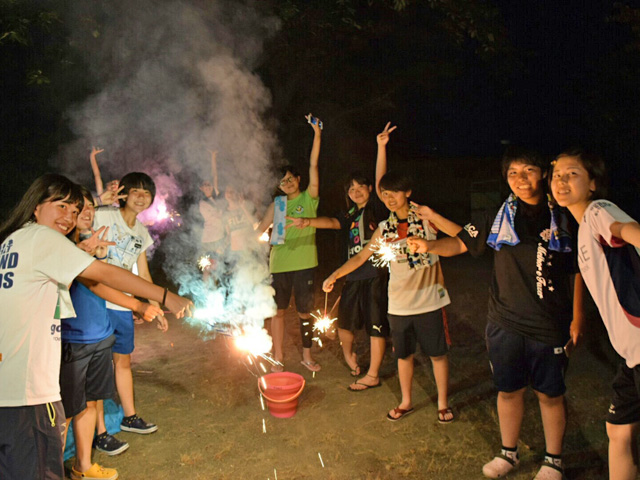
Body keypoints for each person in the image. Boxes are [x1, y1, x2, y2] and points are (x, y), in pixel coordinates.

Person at [407, 147, 585, 480]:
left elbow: (576, 270)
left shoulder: (562, 216)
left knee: (549, 394)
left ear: (543, 173)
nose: (521, 179)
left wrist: (577, 318)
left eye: (529, 170)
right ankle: (509, 453)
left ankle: (553, 460)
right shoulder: (498, 215)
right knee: (508, 390)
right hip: (504, 321)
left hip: (549, 322)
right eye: (513, 173)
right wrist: (429, 246)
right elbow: (461, 242)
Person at [0, 173, 191, 480]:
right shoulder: (43, 238)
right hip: (28, 393)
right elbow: (105, 274)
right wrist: (165, 296)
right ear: (36, 206)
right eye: (61, 206)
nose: (69, 217)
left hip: (9, 388)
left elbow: (89, 281)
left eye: (74, 211)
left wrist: (140, 305)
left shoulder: (14, 240)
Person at [323, 164, 453, 423]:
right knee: (403, 355)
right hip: (399, 304)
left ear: (408, 192)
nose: (390, 198)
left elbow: (457, 236)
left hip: (429, 300)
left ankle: (442, 403)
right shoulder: (384, 227)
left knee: (437, 355)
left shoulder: (426, 219)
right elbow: (362, 255)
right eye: (385, 194)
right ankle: (406, 401)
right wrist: (335, 274)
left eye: (395, 192)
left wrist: (435, 215)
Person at [60, 187, 163, 479]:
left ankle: (84, 465)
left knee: (92, 400)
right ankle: (52, 469)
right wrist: (140, 304)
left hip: (99, 332)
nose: (87, 212)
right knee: (69, 410)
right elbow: (97, 283)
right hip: (73, 338)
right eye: (80, 208)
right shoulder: (66, 249)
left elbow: (112, 280)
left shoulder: (96, 244)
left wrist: (146, 304)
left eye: (91, 206)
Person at [550, 149, 640, 480]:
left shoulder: (598, 211)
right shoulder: (582, 227)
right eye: (557, 174)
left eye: (572, 174)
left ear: (592, 184)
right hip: (630, 356)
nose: (561, 180)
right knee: (618, 431)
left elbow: (626, 229)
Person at [286, 124, 395, 390]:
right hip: (352, 274)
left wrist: (381, 147)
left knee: (375, 325)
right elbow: (331, 223)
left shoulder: (376, 208)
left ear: (370, 189)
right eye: (351, 189)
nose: (356, 191)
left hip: (375, 276)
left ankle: (373, 373)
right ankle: (349, 356)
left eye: (361, 187)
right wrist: (307, 222)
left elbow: (382, 182)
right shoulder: (349, 215)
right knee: (344, 322)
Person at [92, 171, 167, 437]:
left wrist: (154, 305)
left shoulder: (141, 233)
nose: (141, 197)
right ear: (123, 193)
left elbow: (143, 274)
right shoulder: (103, 214)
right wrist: (101, 200)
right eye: (135, 191)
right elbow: (80, 222)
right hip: (97, 302)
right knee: (98, 369)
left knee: (123, 362)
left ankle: (130, 417)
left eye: (146, 193)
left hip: (124, 305)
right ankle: (100, 432)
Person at [257, 114, 322, 373]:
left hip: (305, 262)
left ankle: (307, 355)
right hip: (279, 264)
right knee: (278, 312)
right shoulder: (277, 204)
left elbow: (314, 167)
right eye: (282, 181)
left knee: (305, 313)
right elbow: (260, 228)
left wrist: (317, 135)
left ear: (298, 178)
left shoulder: (309, 198)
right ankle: (279, 356)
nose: (287, 183)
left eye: (290, 178)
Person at [199, 150, 226, 283]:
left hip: (219, 237)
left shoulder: (215, 196)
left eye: (209, 185)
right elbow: (214, 217)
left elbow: (215, 176)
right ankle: (205, 292)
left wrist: (213, 157)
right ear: (201, 188)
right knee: (207, 268)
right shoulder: (202, 203)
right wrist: (221, 213)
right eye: (205, 185)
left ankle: (215, 294)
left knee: (218, 267)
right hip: (209, 239)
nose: (208, 187)